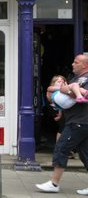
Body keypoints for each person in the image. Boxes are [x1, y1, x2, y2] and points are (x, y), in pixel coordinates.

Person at [36, 54, 88, 195]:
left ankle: (54, 183)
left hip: (79, 122)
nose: (72, 64)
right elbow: (64, 90)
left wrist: (69, 91)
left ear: (84, 65)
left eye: (76, 62)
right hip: (77, 121)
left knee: (62, 148)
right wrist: (69, 90)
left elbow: (80, 94)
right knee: (85, 154)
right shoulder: (76, 79)